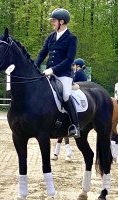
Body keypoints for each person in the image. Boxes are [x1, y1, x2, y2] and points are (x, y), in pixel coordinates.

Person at [35, 8, 80, 138]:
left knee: (65, 94)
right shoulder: (51, 36)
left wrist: (53, 70)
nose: (52, 23)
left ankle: (75, 126)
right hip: (48, 72)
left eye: (54, 21)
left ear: (62, 21)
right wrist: (35, 66)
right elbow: (42, 53)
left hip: (64, 74)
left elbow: (69, 60)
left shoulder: (71, 38)